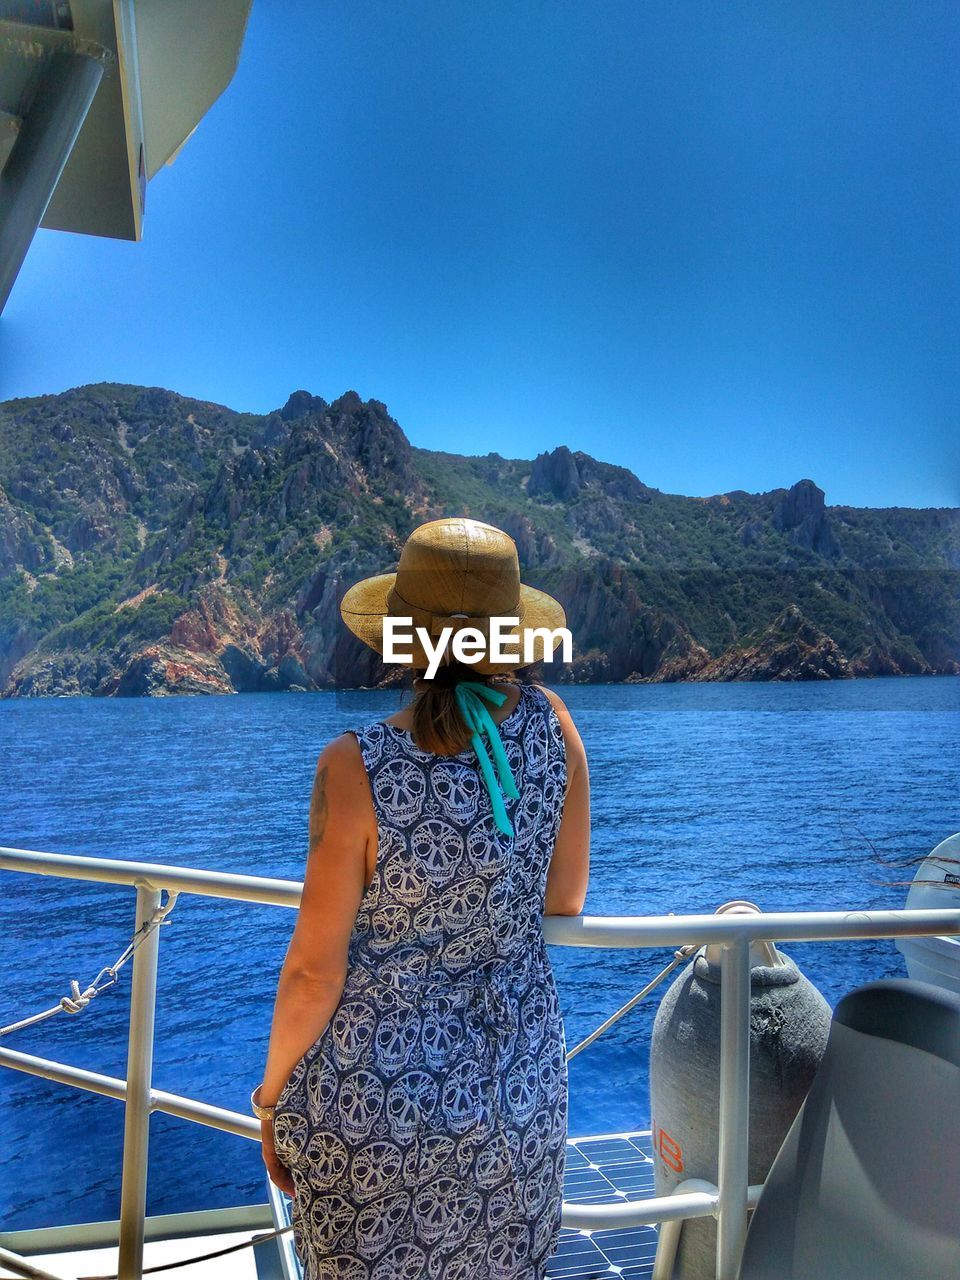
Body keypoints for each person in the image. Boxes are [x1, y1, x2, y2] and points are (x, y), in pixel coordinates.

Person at [254, 515, 590, 1279]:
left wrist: (271, 1103)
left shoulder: (355, 767)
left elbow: (313, 974)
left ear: (403, 637)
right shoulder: (555, 729)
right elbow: (565, 899)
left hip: (378, 1112)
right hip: (520, 1094)